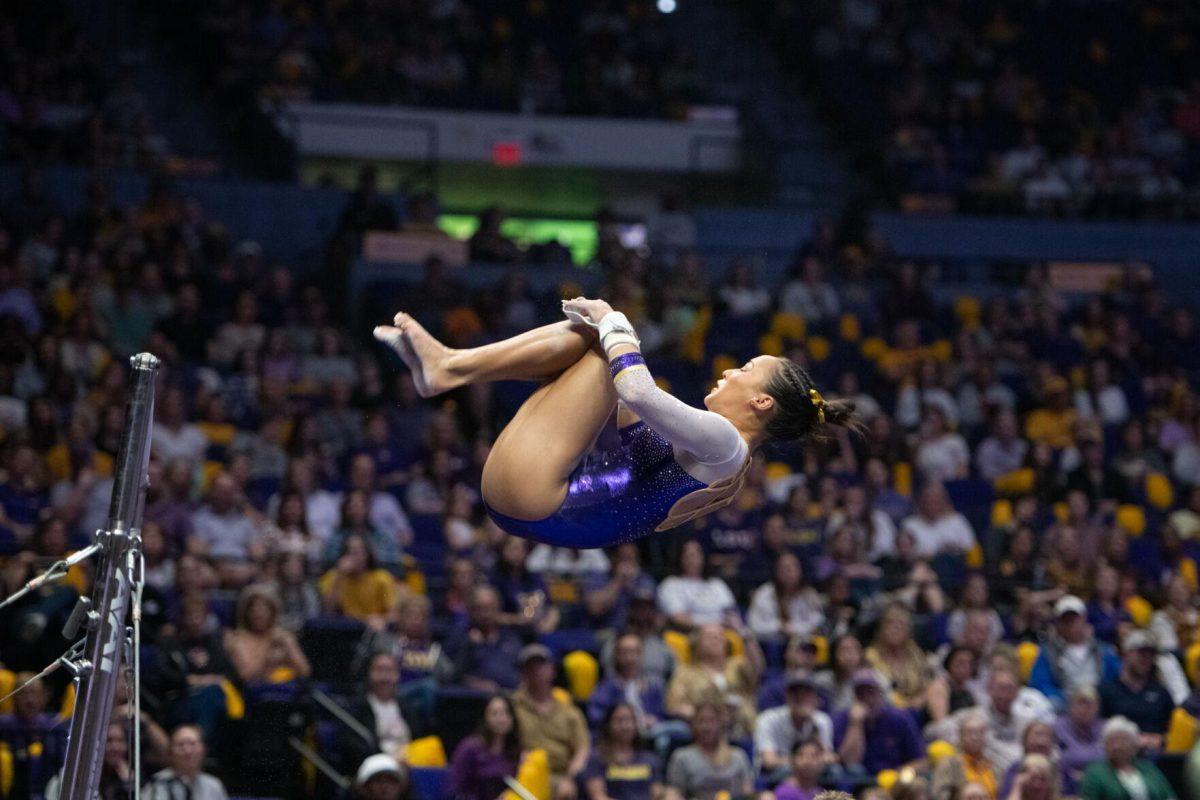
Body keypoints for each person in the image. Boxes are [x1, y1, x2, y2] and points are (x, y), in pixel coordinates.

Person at [373, 299, 857, 549]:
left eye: (745, 370)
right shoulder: (708, 457)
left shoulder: (728, 446)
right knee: (594, 342)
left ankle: (449, 368)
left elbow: (636, 390)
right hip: (526, 505)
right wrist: (600, 329)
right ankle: (448, 365)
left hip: (536, 498)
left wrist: (615, 320)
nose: (730, 370)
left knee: (609, 347)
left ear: (760, 402)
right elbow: (625, 408)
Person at [511, 644, 590, 800]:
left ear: (552, 670)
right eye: (530, 667)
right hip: (523, 773)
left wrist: (570, 778)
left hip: (560, 775)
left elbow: (582, 749)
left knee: (569, 790)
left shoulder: (569, 711)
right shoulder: (511, 707)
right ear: (523, 673)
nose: (536, 671)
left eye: (541, 665)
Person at [666, 622, 763, 738]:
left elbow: (758, 669)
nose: (716, 639)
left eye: (720, 635)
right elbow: (675, 705)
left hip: (744, 725)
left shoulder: (737, 664)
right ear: (697, 643)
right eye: (709, 637)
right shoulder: (686, 672)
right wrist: (706, 715)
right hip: (705, 731)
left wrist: (746, 635)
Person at [1029, 595, 1120, 707]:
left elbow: (1118, 679)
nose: (1070, 623)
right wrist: (1066, 700)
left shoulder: (1103, 650)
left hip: (1100, 705)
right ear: (1058, 624)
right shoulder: (1048, 653)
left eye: (1074, 619)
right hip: (1064, 709)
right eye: (1065, 620)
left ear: (1084, 619)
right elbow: (1040, 685)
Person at [832, 669, 923, 775]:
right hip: (857, 784)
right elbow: (848, 762)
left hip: (894, 781)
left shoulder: (899, 718)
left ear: (881, 693)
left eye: (871, 692)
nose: (866, 698)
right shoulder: (842, 719)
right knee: (855, 770)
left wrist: (898, 775)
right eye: (860, 693)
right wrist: (856, 724)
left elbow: (921, 761)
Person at [1097, 629, 1175, 750]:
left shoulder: (1161, 693)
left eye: (1151, 654)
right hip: (1118, 752)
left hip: (1157, 754)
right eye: (1141, 653)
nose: (1146, 658)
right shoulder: (1107, 690)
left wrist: (1162, 739)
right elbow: (1098, 729)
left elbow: (1172, 728)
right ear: (1126, 654)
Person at [223, 583, 311, 685]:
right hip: (256, 694)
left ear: (273, 611)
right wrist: (268, 659)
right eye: (253, 608)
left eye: (264, 608)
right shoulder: (238, 639)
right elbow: (246, 676)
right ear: (246, 612)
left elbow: (305, 671)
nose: (259, 613)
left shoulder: (283, 636)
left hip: (287, 691)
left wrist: (288, 646)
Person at [664, 702, 754, 800]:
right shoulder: (682, 757)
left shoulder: (738, 756)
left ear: (720, 724)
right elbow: (674, 793)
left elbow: (748, 792)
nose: (706, 727)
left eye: (711, 721)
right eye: (701, 721)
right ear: (694, 725)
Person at [340, 652, 413, 771]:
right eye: (379, 670)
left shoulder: (407, 708)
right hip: (375, 767)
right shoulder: (357, 708)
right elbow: (353, 745)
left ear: (398, 675)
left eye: (389, 670)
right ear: (368, 674)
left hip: (409, 763)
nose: (384, 676)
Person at [445, 585, 524, 691]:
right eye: (479, 608)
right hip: (471, 699)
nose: (485, 614)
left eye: (490, 608)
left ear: (498, 609)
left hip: (508, 696)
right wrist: (469, 646)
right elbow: (449, 676)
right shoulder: (459, 637)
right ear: (470, 610)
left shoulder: (510, 638)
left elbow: (520, 673)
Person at [1077, 717, 1177, 800]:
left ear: (1135, 745)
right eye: (1111, 741)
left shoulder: (1149, 769)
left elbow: (1169, 797)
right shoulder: (1094, 773)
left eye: (1123, 740)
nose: (1117, 746)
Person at [580, 702, 665, 800]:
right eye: (620, 720)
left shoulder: (650, 759)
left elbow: (657, 794)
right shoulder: (597, 758)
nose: (626, 726)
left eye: (630, 720)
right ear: (609, 725)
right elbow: (598, 796)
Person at [754, 673, 834, 777]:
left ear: (816, 698)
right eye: (795, 692)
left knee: (834, 771)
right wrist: (803, 761)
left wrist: (813, 725)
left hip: (809, 771)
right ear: (787, 697)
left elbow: (827, 757)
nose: (801, 697)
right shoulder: (768, 719)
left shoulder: (821, 720)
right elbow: (769, 762)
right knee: (784, 770)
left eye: (807, 693)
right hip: (775, 775)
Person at [448, 695, 523, 800]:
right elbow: (455, 788)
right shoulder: (470, 748)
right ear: (485, 718)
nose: (501, 718)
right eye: (495, 713)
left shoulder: (516, 752)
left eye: (506, 713)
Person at [588, 634, 667, 731]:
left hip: (651, 735)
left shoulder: (653, 687)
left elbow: (662, 715)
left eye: (635, 652)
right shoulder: (607, 687)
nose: (630, 657)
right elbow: (595, 715)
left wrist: (655, 720)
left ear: (642, 655)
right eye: (625, 652)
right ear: (616, 655)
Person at [318, 534, 398, 626]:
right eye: (349, 552)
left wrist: (382, 619)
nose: (352, 557)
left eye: (356, 552)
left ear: (367, 555)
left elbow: (394, 615)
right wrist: (339, 577)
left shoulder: (382, 578)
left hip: (374, 629)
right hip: (346, 629)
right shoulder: (335, 576)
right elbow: (327, 612)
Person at [656, 539, 737, 629]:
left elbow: (731, 612)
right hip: (687, 634)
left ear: (703, 558)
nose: (693, 560)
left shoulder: (716, 584)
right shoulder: (670, 584)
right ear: (680, 558)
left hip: (721, 632)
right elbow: (678, 618)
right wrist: (710, 627)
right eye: (689, 555)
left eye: (697, 555)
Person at [747, 552, 823, 641]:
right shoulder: (764, 593)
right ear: (776, 571)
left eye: (793, 567)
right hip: (769, 644)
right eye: (784, 568)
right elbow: (753, 625)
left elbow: (817, 623)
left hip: (802, 643)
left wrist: (792, 628)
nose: (789, 572)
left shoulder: (809, 595)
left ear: (800, 571)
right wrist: (779, 627)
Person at [142, 725, 230, 800]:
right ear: (170, 752)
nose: (187, 751)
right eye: (181, 745)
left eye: (192, 744)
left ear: (203, 749)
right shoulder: (157, 783)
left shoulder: (214, 786)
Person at [931, 710, 999, 800]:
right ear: (961, 736)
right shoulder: (950, 764)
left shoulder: (994, 766)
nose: (975, 737)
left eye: (981, 732)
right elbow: (939, 796)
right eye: (970, 733)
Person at [1055, 686, 1103, 792]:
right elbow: (1055, 759)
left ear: (1097, 708)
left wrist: (1089, 777)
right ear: (1071, 706)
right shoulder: (1058, 727)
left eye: (1090, 705)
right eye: (1081, 703)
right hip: (1065, 783)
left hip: (1099, 784)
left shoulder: (1105, 729)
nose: (1085, 709)